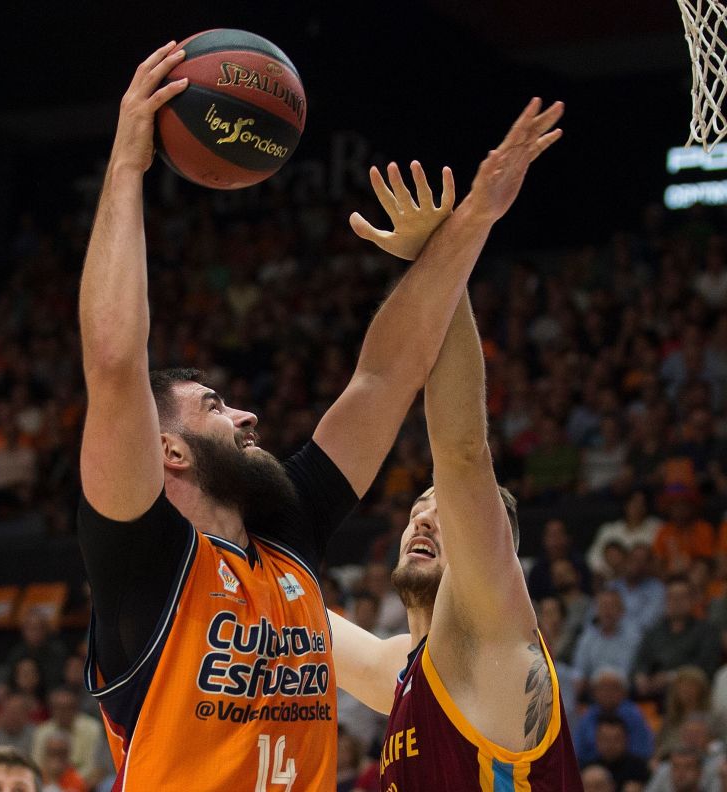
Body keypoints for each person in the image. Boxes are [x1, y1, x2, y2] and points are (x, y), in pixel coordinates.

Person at [76, 42, 561, 791]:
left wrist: (472, 223)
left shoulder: (288, 529)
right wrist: (126, 166)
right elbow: (114, 364)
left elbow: (384, 375)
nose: (247, 416)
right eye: (215, 407)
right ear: (168, 450)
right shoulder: (143, 562)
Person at [330, 102, 582, 786]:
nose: (423, 517)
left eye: (445, 511)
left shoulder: (497, 642)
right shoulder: (403, 672)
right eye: (419, 508)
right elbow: (285, 608)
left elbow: (462, 451)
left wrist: (443, 252)